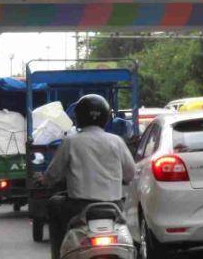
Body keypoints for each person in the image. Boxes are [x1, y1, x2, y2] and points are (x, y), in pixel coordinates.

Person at [43, 94, 135, 259]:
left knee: (53, 203)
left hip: (78, 207)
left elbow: (53, 174)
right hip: (114, 206)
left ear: (78, 118)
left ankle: (57, 254)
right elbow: (130, 174)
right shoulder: (117, 141)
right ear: (106, 118)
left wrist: (44, 180)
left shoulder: (70, 142)